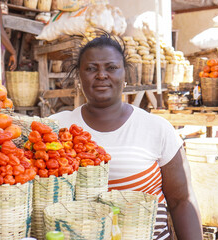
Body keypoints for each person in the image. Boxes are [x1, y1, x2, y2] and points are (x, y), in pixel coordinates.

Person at [49, 34, 203, 240]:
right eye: (91, 68)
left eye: (111, 68)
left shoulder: (156, 128)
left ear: (125, 75)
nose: (101, 75)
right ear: (79, 77)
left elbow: (181, 201)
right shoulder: (56, 128)